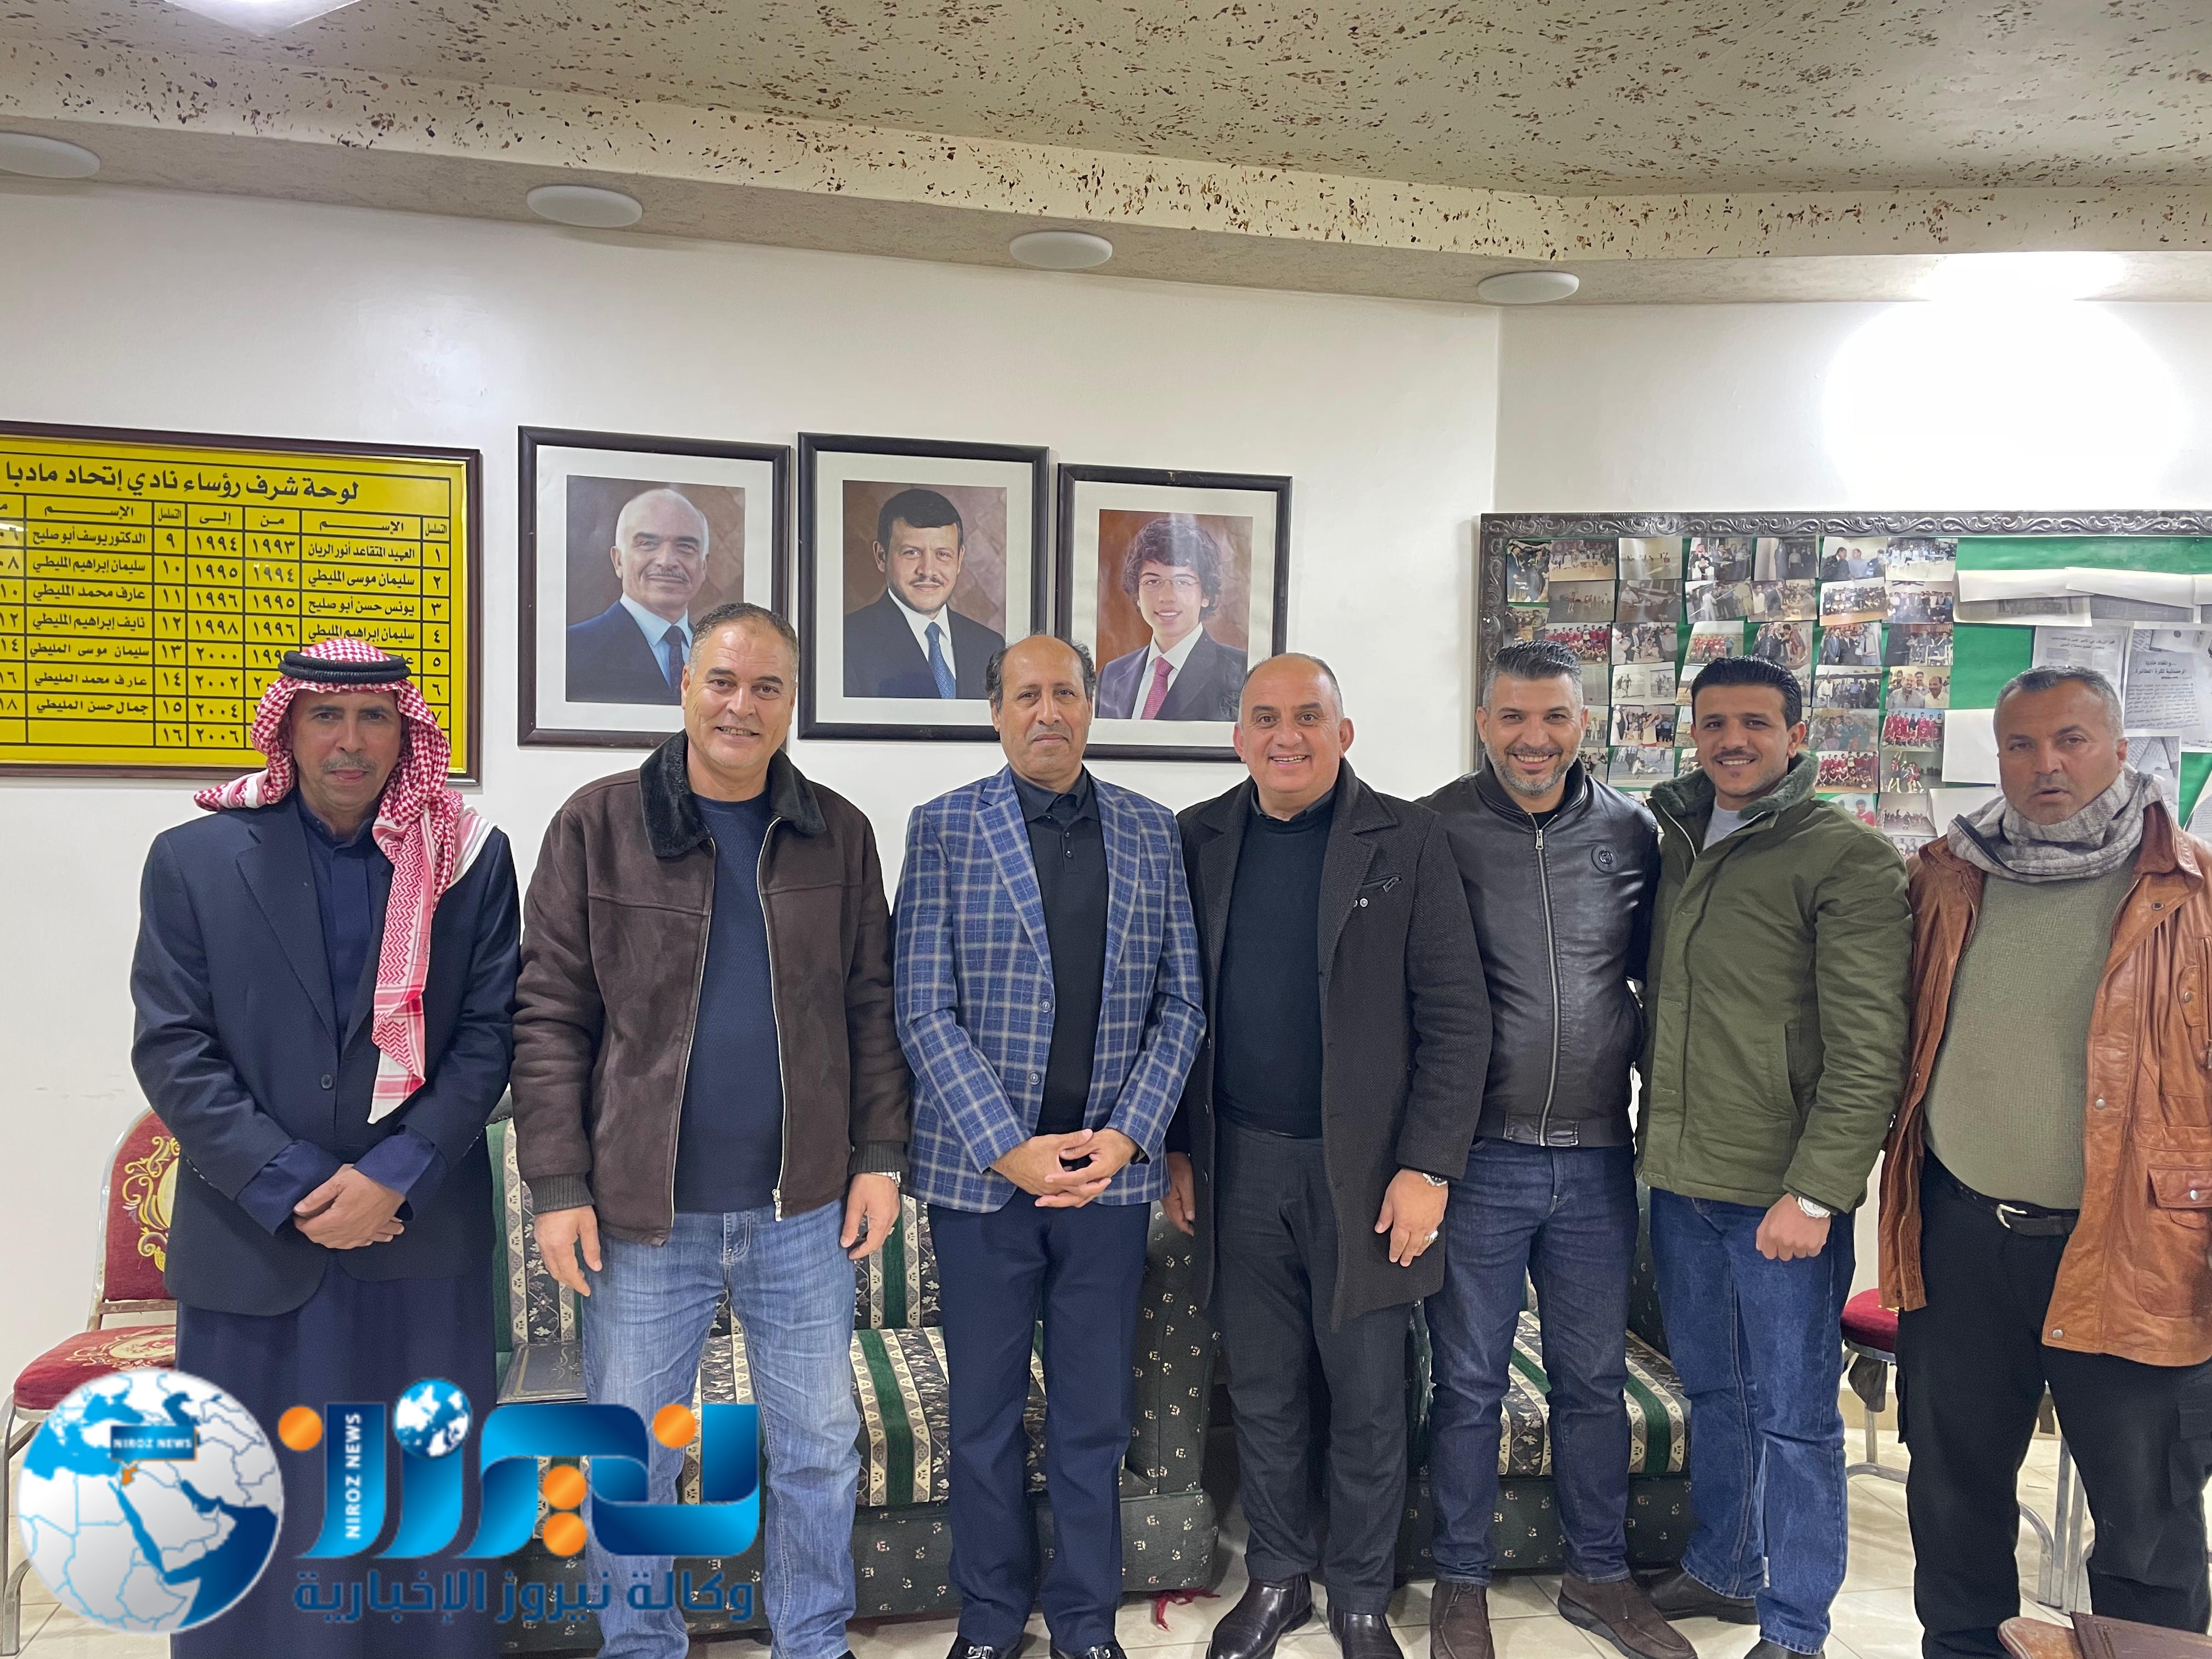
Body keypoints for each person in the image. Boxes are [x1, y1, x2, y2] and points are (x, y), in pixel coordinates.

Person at [514, 601, 911, 1659]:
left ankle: (813, 1639)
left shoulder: (838, 831)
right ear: (685, 684)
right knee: (632, 1458)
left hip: (802, 1210)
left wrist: (880, 1156)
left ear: (792, 703)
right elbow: (547, 1012)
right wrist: (556, 1182)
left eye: (767, 686)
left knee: (818, 1446)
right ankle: (641, 1643)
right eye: (724, 680)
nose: (742, 704)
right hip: (642, 1216)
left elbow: (871, 1005)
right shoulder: (597, 823)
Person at [131, 637, 518, 1658]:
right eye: (326, 716)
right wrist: (297, 1184)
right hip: (253, 1244)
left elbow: (490, 1037)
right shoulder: (194, 860)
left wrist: (397, 1172)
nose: (351, 741)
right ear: (288, 729)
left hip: (417, 1238)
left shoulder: (470, 859)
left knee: (419, 1510)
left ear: (407, 733)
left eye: (374, 716)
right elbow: (173, 1048)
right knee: (254, 1505)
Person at [1879, 667, 2212, 1657]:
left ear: (2120, 748)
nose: (2045, 764)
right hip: (1960, 1233)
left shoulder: (2192, 894)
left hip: (2133, 1248)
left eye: (2071, 739)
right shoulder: (1946, 879)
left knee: (2145, 1514)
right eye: (2020, 745)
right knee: (1952, 1493)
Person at [1165, 654, 1488, 1659]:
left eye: (1308, 716)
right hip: (1238, 1166)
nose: (1287, 736)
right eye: (1265, 718)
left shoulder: (1409, 838)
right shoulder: (1196, 838)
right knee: (1263, 1392)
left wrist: (1428, 1166)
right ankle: (1277, 1578)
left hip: (1370, 1175)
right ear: (1238, 738)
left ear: (1343, 733)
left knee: (1369, 1396)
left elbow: (1458, 1016)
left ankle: (1358, 1592)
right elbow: (1168, 1002)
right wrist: (1177, 1147)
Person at [896, 635, 1204, 1659]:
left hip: (1108, 1187)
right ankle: (989, 1616)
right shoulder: (943, 828)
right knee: (982, 1417)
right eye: (1026, 694)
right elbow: (922, 1008)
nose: (1047, 712)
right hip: (982, 1186)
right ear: (995, 712)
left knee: (1092, 1418)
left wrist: (1126, 1138)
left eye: (1065, 693)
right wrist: (1008, 1148)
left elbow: (1182, 1006)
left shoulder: (1151, 831)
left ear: (1090, 707)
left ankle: (1083, 1618)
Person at [1636, 655, 1910, 1659]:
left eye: (1754, 722)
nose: (1732, 740)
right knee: (1716, 1393)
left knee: (1794, 1417)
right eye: (1713, 723)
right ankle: (1724, 1566)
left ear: (1797, 735)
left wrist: (1817, 1192)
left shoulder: (1845, 858)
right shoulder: (1676, 837)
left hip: (1779, 1198)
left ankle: (1795, 1626)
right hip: (1679, 1180)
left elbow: (1870, 1046)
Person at [1415, 642, 1681, 1659]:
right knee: (1469, 1382)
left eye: (1555, 717)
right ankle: (1459, 1580)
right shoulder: (1433, 828)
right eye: (1514, 717)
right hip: (1479, 1157)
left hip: (1597, 1158)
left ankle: (1599, 1574)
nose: (1535, 739)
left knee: (1591, 1381)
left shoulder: (1629, 831)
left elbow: (1659, 981)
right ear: (1484, 722)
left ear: (1584, 723)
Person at [843, 487, 1005, 698]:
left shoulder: (989, 646)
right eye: (911, 552)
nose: (928, 570)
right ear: (881, 556)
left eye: (943, 554)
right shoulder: (847, 640)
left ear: (959, 559)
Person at [567, 487, 712, 705]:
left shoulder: (719, 655)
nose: (667, 561)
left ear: (703, 567)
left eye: (685, 547)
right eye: (648, 544)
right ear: (618, 561)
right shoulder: (571, 651)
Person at [1096, 517, 1248, 722]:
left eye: (1182, 582)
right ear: (1137, 595)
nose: (1167, 597)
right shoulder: (1112, 675)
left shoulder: (1240, 671)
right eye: (1152, 581)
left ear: (1206, 594)